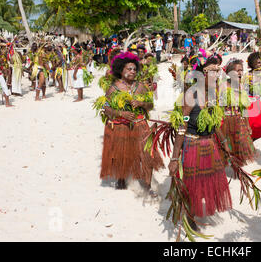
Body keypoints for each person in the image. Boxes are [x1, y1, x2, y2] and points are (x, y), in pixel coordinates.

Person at [168, 58, 233, 229]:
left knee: (207, 180)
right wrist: (174, 158)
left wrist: (224, 141)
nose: (216, 74)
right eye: (212, 71)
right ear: (202, 74)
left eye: (218, 70)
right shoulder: (191, 95)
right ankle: (190, 216)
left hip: (209, 144)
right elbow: (182, 126)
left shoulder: (212, 95)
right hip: (192, 145)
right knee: (192, 184)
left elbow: (213, 122)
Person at [98, 52, 163, 194]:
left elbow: (151, 105)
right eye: (129, 69)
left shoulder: (141, 86)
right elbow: (106, 108)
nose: (132, 71)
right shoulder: (113, 88)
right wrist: (121, 113)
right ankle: (121, 179)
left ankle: (147, 185)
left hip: (140, 124)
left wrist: (142, 103)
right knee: (121, 154)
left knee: (147, 154)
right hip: (120, 126)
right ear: (121, 70)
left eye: (134, 69)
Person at [219, 58, 257, 167]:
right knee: (225, 150)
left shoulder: (241, 87)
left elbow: (243, 108)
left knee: (239, 150)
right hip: (225, 121)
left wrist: (248, 124)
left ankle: (237, 169)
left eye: (241, 70)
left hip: (239, 121)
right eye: (237, 70)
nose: (240, 73)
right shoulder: (223, 86)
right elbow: (218, 107)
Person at [246, 52, 261, 141]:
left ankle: (249, 145)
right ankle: (248, 145)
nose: (260, 64)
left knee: (260, 130)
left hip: (259, 104)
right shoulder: (248, 75)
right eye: (258, 62)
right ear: (252, 63)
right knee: (252, 129)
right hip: (251, 104)